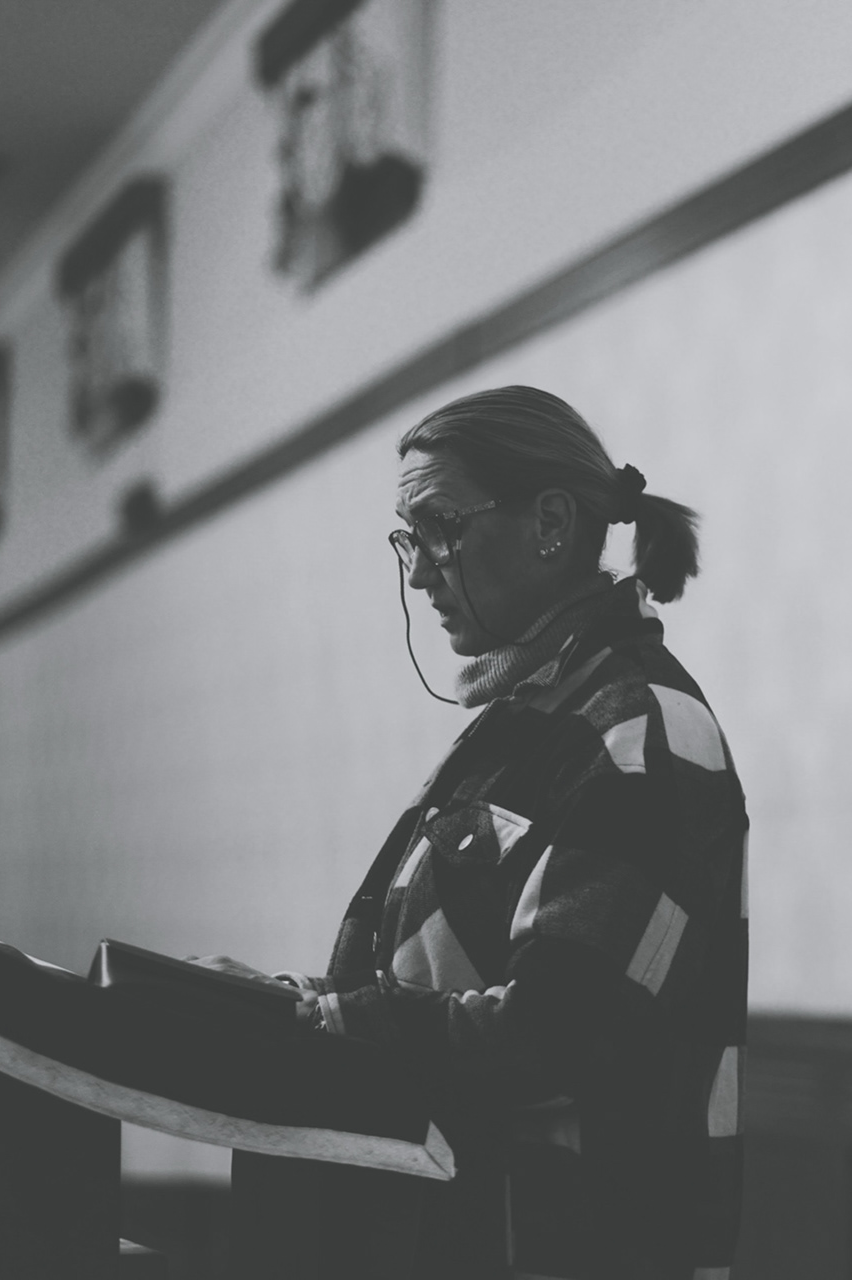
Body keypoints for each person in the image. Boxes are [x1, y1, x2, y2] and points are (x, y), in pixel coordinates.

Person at [205, 386, 748, 1279]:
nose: (419, 574)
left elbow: (555, 1034)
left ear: (551, 524)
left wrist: (313, 1020)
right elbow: (428, 982)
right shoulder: (532, 720)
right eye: (408, 539)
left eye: (439, 528)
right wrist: (280, 1004)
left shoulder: (641, 727)